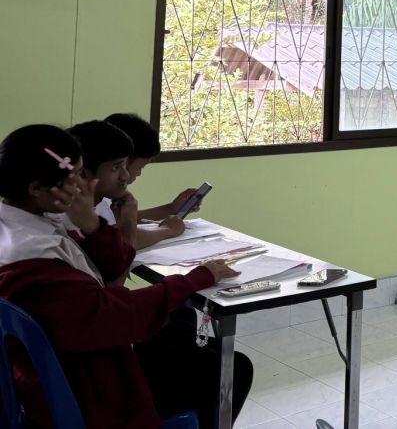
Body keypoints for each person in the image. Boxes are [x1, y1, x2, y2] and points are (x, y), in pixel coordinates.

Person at [0, 124, 249, 429]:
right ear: (37, 188)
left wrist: (93, 225)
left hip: (74, 367)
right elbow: (117, 314)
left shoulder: (27, 224)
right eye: (75, 176)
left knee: (182, 326)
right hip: (91, 394)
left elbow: (111, 269)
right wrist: (196, 278)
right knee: (227, 369)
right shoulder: (34, 259)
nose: (85, 184)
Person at [103, 113, 199, 250]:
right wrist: (167, 230)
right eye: (140, 167)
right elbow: (124, 240)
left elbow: (127, 220)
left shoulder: (105, 196)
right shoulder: (91, 202)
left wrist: (171, 208)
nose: (138, 173)